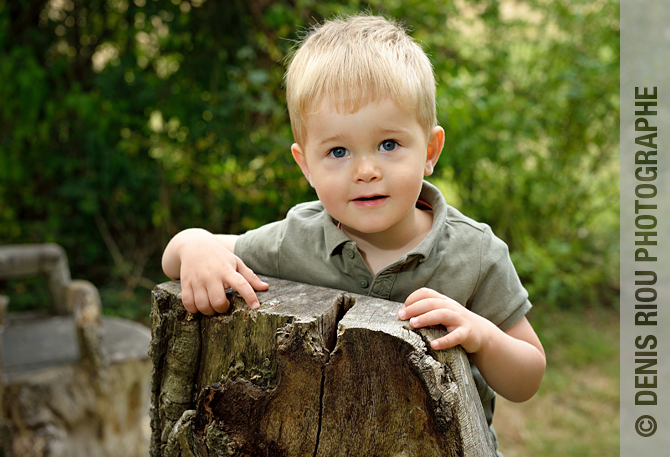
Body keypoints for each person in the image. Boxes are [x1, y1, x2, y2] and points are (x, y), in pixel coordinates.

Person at [162, 13, 546, 453]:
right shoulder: (297, 239)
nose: (366, 171)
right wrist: (194, 243)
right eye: (338, 151)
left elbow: (528, 377)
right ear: (305, 165)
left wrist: (481, 335)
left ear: (430, 150)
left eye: (389, 145)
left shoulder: (474, 253)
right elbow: (183, 254)